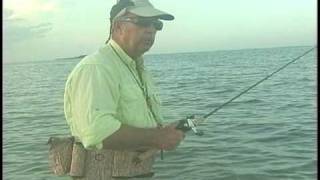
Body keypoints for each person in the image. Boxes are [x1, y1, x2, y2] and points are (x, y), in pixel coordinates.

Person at [63, 0, 184, 179]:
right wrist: (156, 138)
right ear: (118, 27)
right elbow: (97, 131)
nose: (151, 30)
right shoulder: (96, 67)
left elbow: (133, 121)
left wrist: (161, 133)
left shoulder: (136, 68)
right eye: (142, 22)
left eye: (156, 24)